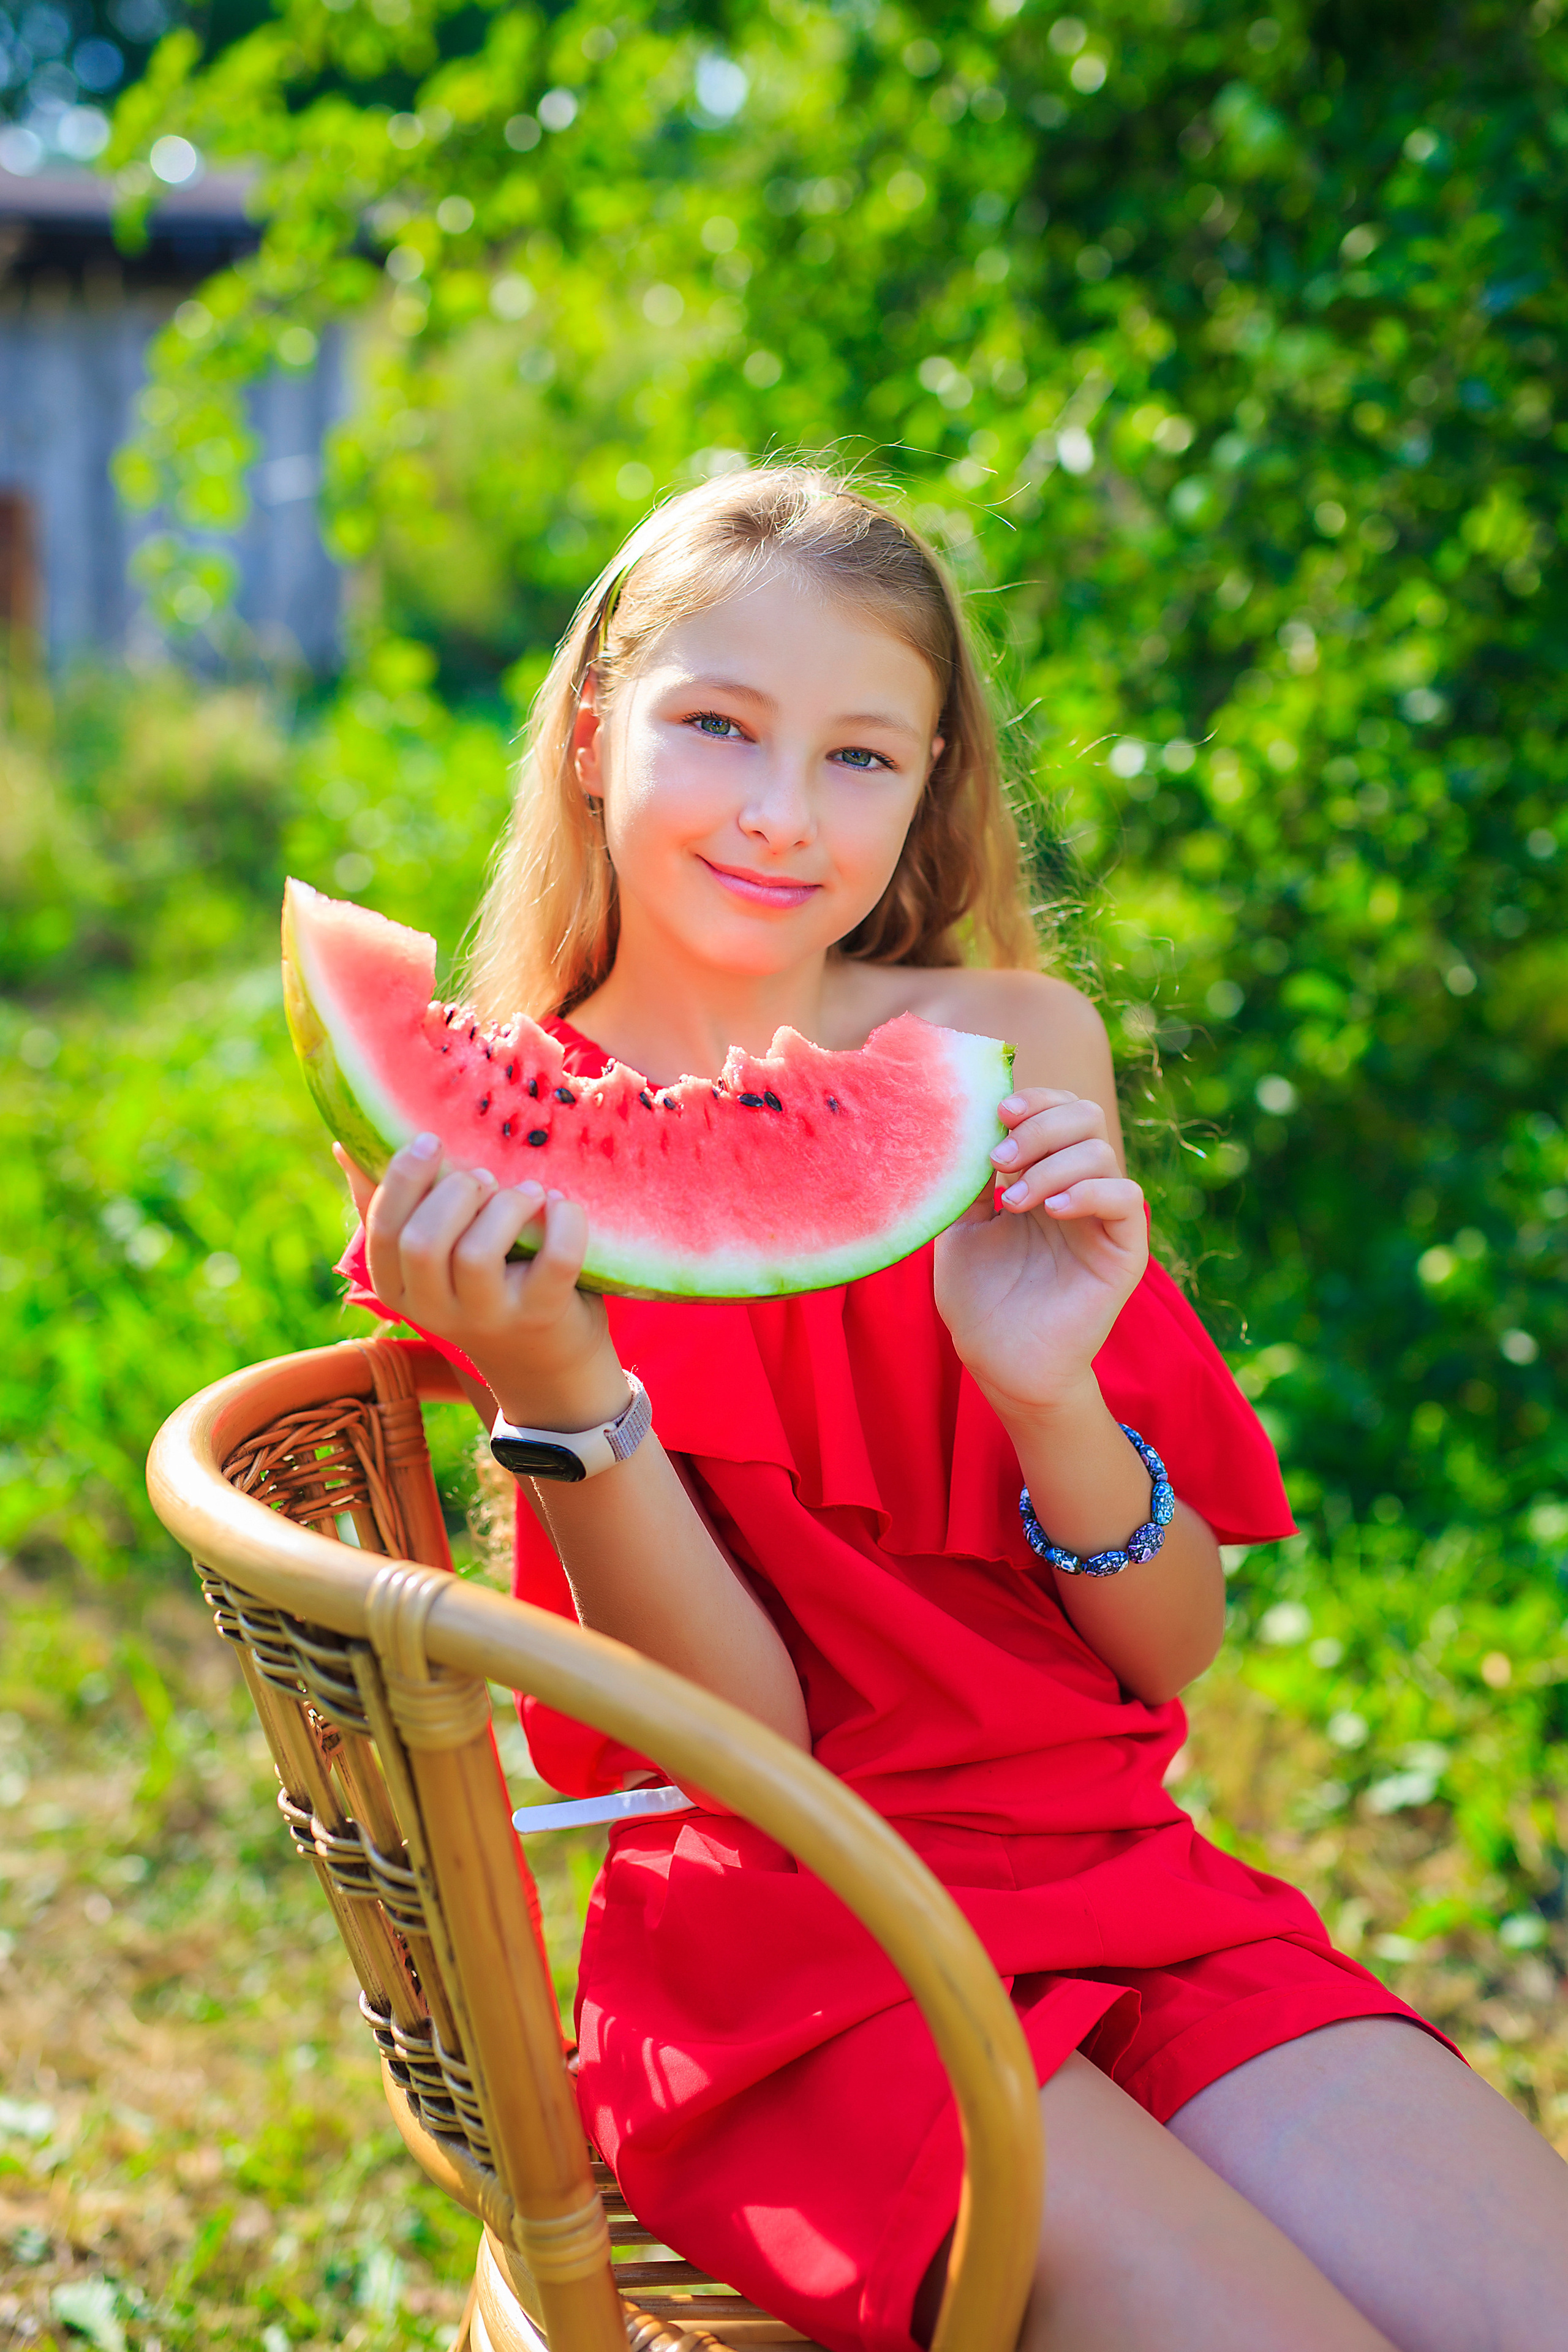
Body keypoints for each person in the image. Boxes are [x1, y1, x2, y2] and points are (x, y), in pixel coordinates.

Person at [334, 466, 1568, 2352]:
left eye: (859, 757)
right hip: (797, 1955)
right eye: (719, 727)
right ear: (593, 737)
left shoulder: (1007, 1051)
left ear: (928, 791)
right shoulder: (493, 1167)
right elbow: (739, 1744)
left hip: (1130, 1888)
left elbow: (1170, 1648)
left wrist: (1043, 1384)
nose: (778, 811)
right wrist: (564, 1382)